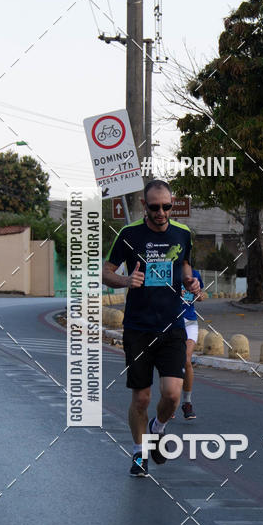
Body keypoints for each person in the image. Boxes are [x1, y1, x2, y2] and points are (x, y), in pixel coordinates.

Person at [102, 180, 201, 476]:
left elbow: (184, 263)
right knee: (141, 398)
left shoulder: (182, 233)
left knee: (171, 394)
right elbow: (106, 272)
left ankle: (157, 430)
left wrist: (189, 280)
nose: (161, 212)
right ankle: (138, 452)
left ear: (172, 204)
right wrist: (125, 281)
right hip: (138, 328)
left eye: (166, 207)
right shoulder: (129, 234)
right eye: (155, 207)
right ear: (144, 205)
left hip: (172, 326)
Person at [180, 265, 204, 419]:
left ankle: (187, 403)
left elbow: (202, 295)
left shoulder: (194, 274)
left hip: (189, 321)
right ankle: (169, 399)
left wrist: (198, 294)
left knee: (186, 360)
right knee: (170, 362)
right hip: (170, 322)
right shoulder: (167, 271)